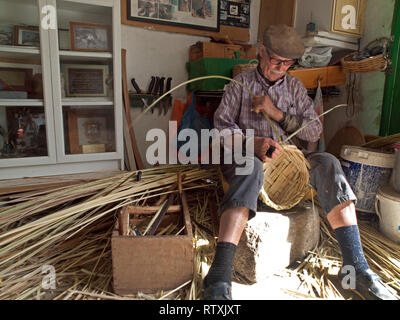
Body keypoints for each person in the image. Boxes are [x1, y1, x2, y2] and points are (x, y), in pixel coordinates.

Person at [202, 24, 399, 300]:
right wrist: (253, 143)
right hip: (248, 158)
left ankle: (357, 267)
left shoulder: (295, 88)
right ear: (261, 52)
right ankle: (219, 276)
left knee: (328, 162)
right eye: (276, 60)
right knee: (252, 166)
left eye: (288, 63)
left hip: (290, 165)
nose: (281, 67)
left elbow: (314, 131)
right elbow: (221, 129)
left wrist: (276, 112)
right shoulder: (240, 85)